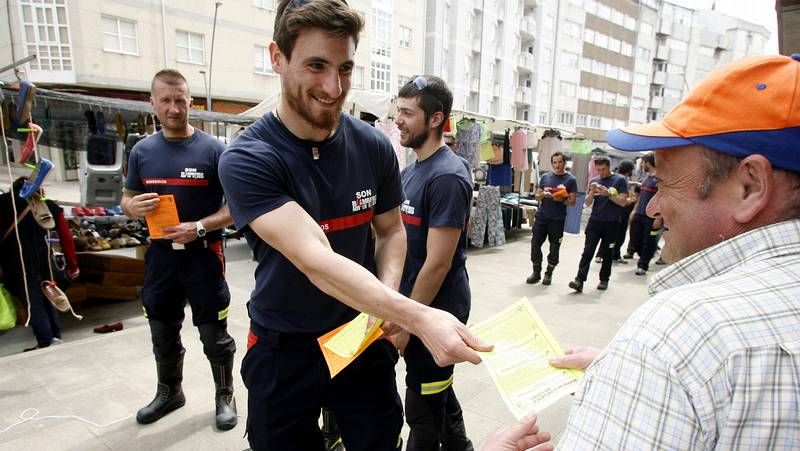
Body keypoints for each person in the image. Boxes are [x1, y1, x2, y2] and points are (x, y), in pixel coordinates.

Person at [485, 53, 800, 450]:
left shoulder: (676, 334)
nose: (653, 207)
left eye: (667, 183)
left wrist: (653, 368)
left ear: (750, 187)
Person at [216, 1, 490, 449]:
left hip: (359, 339)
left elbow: (391, 232)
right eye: (316, 65)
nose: (333, 86)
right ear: (277, 57)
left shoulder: (373, 146)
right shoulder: (248, 157)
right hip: (285, 343)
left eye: (345, 68)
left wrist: (383, 313)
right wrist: (417, 317)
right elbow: (317, 262)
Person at [121, 69, 237, 430]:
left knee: (214, 335)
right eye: (166, 100)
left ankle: (225, 396)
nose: (174, 108)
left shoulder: (214, 150)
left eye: (180, 100)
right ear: (152, 102)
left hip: (204, 256)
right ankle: (170, 392)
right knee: (161, 329)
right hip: (159, 258)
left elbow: (236, 207)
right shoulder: (142, 151)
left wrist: (199, 226)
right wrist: (131, 207)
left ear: (191, 102)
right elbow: (125, 198)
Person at [393, 75, 474, 451]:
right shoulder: (411, 170)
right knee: (437, 390)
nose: (398, 120)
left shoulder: (447, 176)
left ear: (436, 118)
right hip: (413, 304)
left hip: (436, 312)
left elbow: (438, 264)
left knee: (423, 412)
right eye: (398, 111)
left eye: (408, 113)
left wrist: (411, 321)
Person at [0, 178, 79, 351]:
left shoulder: (3, 203)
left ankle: (45, 340)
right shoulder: (48, 205)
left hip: (15, 262)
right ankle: (55, 336)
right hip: (44, 260)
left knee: (32, 300)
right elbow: (66, 237)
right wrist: (73, 264)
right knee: (49, 294)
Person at [568, 156, 628, 292]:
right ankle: (579, 280)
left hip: (612, 222)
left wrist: (609, 195)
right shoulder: (595, 181)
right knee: (587, 251)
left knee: (607, 253)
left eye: (604, 169)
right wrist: (592, 192)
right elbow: (588, 203)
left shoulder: (620, 180)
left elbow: (623, 202)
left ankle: (604, 279)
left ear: (609, 166)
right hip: (595, 221)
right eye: (598, 170)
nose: (601, 173)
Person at [526, 152, 577, 285]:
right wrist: (543, 194)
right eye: (554, 162)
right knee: (535, 244)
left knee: (554, 247)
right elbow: (537, 195)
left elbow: (572, 202)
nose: (557, 165)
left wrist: (562, 199)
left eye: (560, 162)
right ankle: (536, 272)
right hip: (542, 216)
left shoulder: (570, 180)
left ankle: (549, 273)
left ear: (564, 163)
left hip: (557, 219)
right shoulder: (545, 177)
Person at [623, 152, 662, 275]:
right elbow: (640, 196)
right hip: (639, 213)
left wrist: (659, 218)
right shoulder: (646, 177)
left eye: (644, 162)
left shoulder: (660, 179)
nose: (642, 165)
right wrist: (635, 210)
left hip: (652, 216)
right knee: (635, 237)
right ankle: (644, 255)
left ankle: (643, 265)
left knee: (648, 241)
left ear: (648, 162)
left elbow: (662, 199)